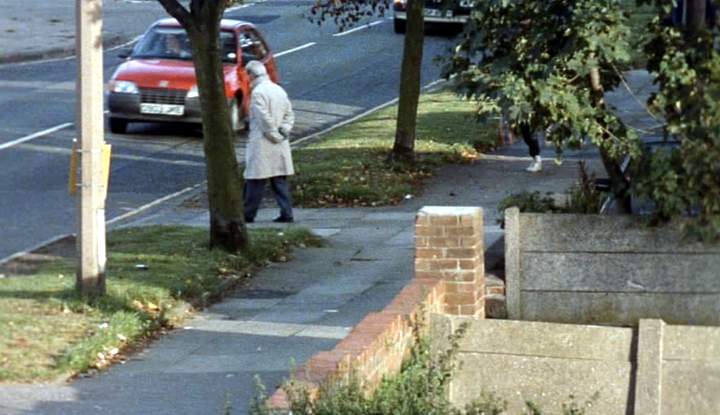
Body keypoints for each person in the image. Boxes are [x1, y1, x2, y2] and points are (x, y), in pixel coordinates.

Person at [243, 60, 296, 223]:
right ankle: (287, 213)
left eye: (247, 74)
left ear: (252, 74)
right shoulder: (278, 89)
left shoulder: (258, 93)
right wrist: (283, 131)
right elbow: (289, 114)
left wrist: (273, 134)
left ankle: (247, 214)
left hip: (262, 143)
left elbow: (263, 119)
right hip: (280, 143)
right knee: (279, 180)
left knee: (255, 180)